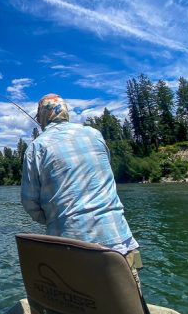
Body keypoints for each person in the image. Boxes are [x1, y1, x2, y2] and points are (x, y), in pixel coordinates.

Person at [21, 93, 144, 290]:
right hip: (118, 240)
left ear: (42, 116)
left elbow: (29, 202)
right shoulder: (94, 135)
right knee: (130, 308)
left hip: (71, 247)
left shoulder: (37, 147)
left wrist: (55, 218)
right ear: (65, 112)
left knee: (82, 309)